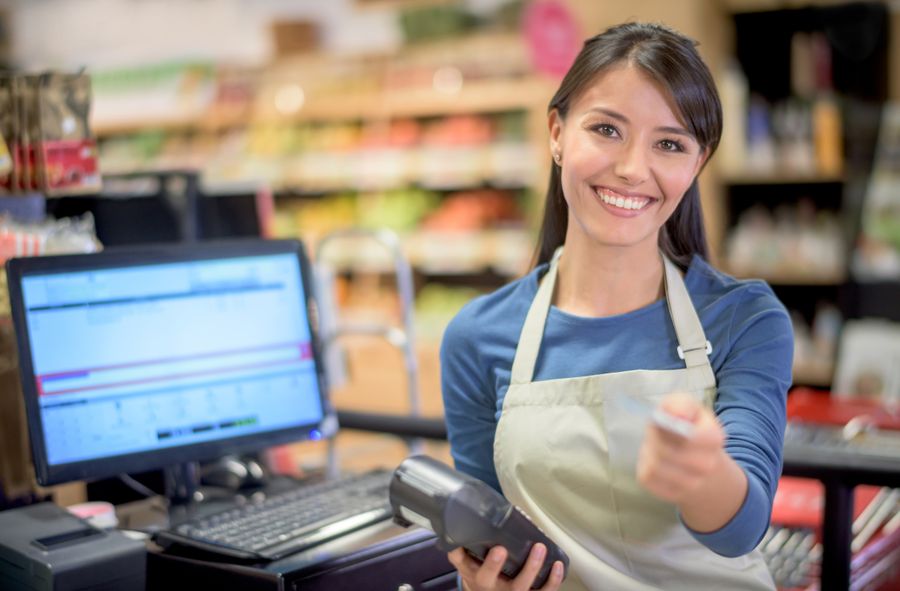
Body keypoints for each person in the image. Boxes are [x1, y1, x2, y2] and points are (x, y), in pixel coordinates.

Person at [440, 22, 793, 591]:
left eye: (670, 144)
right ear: (556, 132)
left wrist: (702, 473)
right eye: (607, 129)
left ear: (697, 164)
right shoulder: (476, 337)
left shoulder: (745, 319)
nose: (632, 168)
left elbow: (740, 530)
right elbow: (488, 542)